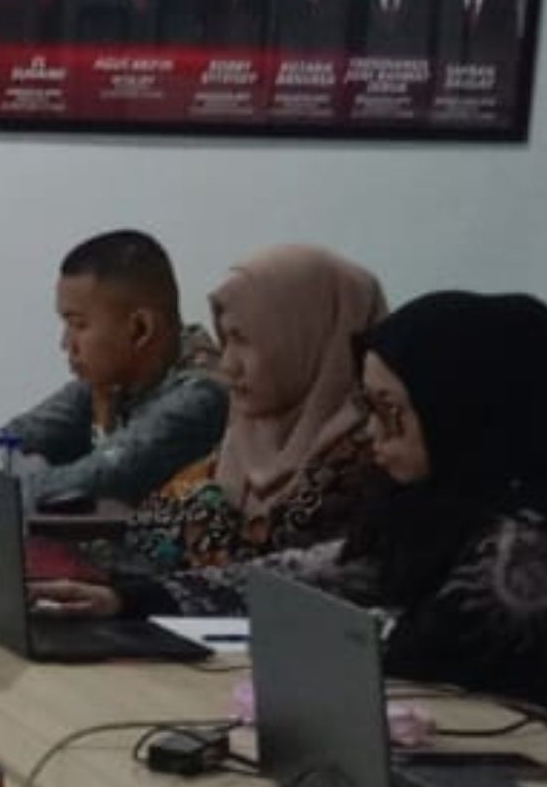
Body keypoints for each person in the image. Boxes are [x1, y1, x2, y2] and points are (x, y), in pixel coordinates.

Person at [42, 289, 547, 737]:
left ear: (464, 413)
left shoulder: (525, 549)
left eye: (391, 411)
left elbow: (401, 656)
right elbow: (312, 574)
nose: (374, 434)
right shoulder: (435, 505)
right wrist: (130, 600)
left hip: (540, 782)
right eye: (370, 407)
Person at [113, 244, 392, 579]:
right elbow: (140, 540)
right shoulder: (238, 442)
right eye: (225, 340)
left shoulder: (379, 457)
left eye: (244, 339)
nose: (228, 365)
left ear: (305, 336)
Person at [0, 228, 230, 510]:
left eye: (79, 325)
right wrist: (2, 466)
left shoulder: (201, 398)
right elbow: (1, 443)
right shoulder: (112, 380)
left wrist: (7, 477)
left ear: (140, 329)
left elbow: (94, 481)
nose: (66, 343)